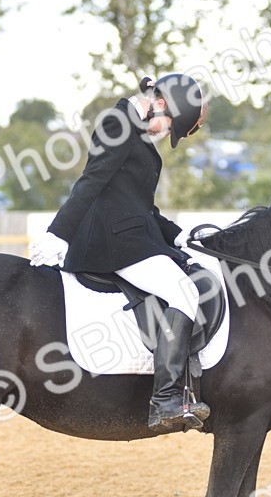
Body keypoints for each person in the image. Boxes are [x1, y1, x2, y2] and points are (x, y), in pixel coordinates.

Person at [48, 73, 209, 433]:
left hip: (134, 235)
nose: (165, 133)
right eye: (170, 126)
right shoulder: (117, 123)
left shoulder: (136, 131)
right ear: (161, 103)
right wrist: (59, 233)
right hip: (113, 242)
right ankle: (165, 399)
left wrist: (178, 235)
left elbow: (142, 206)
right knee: (184, 292)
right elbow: (91, 181)